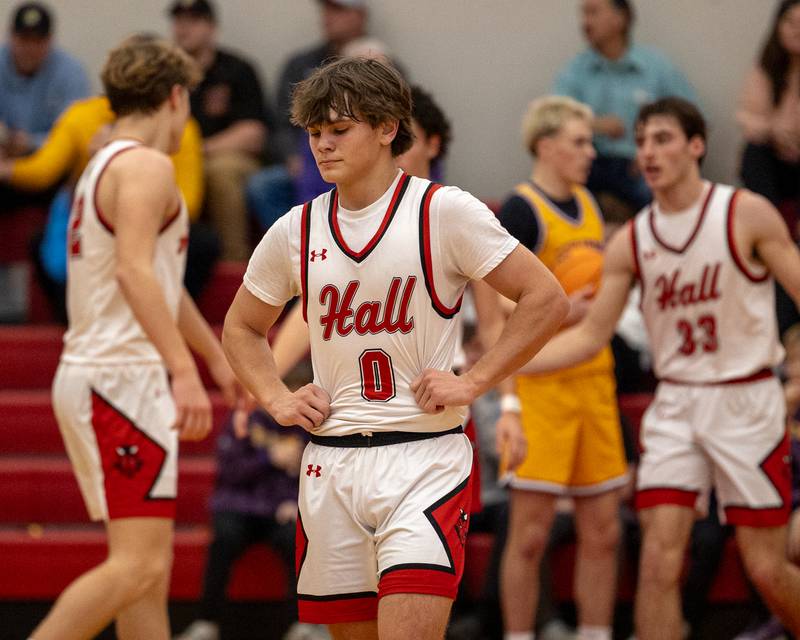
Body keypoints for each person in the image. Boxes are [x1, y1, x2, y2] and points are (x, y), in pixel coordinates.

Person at [222, 57, 568, 640]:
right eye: (314, 134)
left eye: (339, 130)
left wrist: (477, 380)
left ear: (387, 128)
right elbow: (240, 328)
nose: (323, 146)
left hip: (424, 457)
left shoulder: (444, 211)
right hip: (330, 462)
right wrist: (275, 399)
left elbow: (546, 298)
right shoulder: (295, 229)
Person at [519, 96, 800, 639]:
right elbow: (590, 337)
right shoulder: (631, 241)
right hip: (676, 402)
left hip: (744, 398)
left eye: (663, 138)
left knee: (764, 567)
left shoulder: (744, 213)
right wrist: (490, 371)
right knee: (656, 562)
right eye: (642, 140)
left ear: (697, 146)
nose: (648, 150)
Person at [29, 36, 243, 640]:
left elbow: (162, 284)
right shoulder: (145, 165)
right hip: (119, 378)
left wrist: (213, 359)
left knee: (149, 572)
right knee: (140, 565)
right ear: (176, 97)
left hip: (107, 374)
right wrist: (182, 371)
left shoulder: (103, 160)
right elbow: (135, 272)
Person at [497, 96, 627, 640]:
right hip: (540, 386)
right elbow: (497, 305)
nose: (590, 151)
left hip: (594, 379)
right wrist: (558, 311)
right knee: (529, 535)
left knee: (604, 530)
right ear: (545, 146)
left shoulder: (593, 205)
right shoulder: (520, 209)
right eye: (578, 141)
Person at [0, 90, 216, 321]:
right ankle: (70, 321)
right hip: (107, 326)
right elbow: (132, 274)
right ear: (175, 99)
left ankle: (73, 322)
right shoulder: (134, 158)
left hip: (111, 294)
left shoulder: (115, 149)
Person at [174, 404, 316, 640]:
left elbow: (316, 472)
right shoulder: (243, 417)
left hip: (281, 510)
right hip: (238, 506)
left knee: (298, 537)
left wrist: (296, 501)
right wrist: (267, 458)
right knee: (224, 536)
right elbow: (230, 471)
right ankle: (205, 622)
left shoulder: (306, 422)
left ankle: (303, 626)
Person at [554, 0, 696, 215]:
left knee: (659, 193)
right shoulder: (576, 69)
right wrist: (597, 125)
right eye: (583, 14)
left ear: (620, 19)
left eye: (593, 13)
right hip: (590, 161)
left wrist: (653, 151)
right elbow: (553, 119)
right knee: (555, 194)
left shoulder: (656, 67)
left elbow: (691, 119)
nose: (585, 22)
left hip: (638, 163)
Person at [169, 0, 271, 260]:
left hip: (226, 157)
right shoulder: (165, 74)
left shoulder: (237, 70)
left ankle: (234, 261)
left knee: (220, 172)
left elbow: (254, 134)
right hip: (174, 157)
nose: (184, 28)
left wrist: (199, 150)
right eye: (179, 21)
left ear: (211, 27)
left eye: (193, 21)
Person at [738, 0, 800, 234]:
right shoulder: (765, 68)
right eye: (790, 22)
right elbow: (747, 118)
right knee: (753, 152)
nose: (796, 29)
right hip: (776, 157)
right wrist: (774, 131)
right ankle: (768, 226)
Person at [0, 2, 89, 157]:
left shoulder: (71, 73)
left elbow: (76, 136)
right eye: (24, 39)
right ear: (10, 36)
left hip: (52, 165)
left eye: (38, 41)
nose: (30, 48)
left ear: (50, 40)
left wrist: (31, 143)